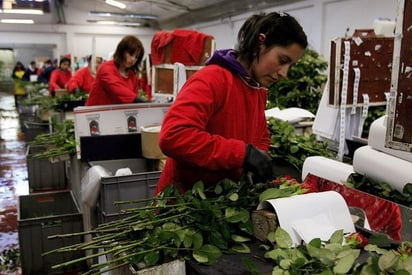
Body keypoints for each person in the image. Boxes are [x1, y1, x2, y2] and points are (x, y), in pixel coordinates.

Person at [154, 11, 308, 194]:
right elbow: (174, 136)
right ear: (260, 43)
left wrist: (257, 158)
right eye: (282, 61)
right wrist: (243, 154)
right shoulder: (212, 79)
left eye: (290, 66)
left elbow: (260, 135)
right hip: (184, 204)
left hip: (220, 202)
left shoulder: (255, 89)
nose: (284, 73)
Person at [85, 35, 146, 106]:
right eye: (130, 54)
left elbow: (133, 98)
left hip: (116, 114)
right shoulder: (106, 68)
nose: (133, 59)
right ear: (121, 51)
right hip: (96, 114)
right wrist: (143, 102)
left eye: (136, 57)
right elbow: (120, 91)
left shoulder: (132, 75)